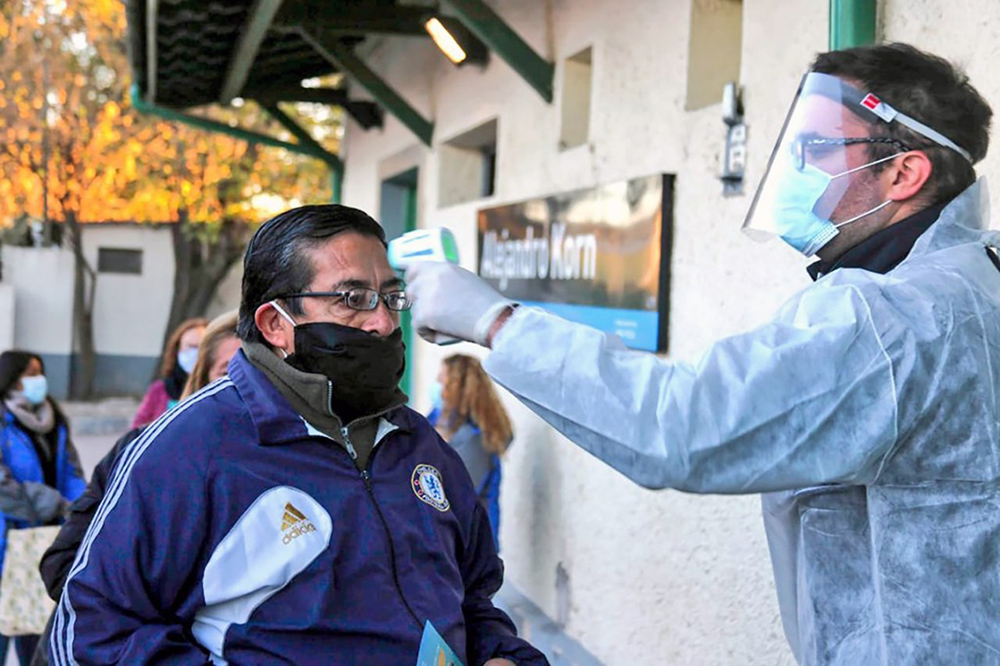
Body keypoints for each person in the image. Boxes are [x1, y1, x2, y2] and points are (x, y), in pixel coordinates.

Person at [405, 43, 1000, 663]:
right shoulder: (975, 276)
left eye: (817, 149)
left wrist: (495, 321)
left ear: (904, 174)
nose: (796, 164)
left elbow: (679, 425)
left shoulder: (897, 317)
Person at [52, 206, 544, 665]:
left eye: (392, 298)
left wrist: (499, 654)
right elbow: (90, 632)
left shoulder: (421, 445)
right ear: (275, 324)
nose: (382, 322)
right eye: (353, 299)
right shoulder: (186, 451)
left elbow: (473, 600)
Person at [30, 311, 241, 666]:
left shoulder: (297, 468)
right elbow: (62, 563)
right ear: (201, 379)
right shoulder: (142, 451)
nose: (244, 386)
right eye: (227, 373)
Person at [0, 351, 86, 665]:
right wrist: (51, 502)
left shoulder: (54, 419)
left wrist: (79, 508)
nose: (38, 380)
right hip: (8, 539)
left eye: (40, 372)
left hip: (47, 539)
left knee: (36, 629)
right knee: (5, 625)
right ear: (10, 378)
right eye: (29, 373)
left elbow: (73, 472)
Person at [428, 354, 512, 548]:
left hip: (469, 550)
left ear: (456, 386)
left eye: (442, 378)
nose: (436, 383)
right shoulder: (437, 419)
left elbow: (451, 498)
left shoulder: (475, 439)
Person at [131, 317, 207, 428]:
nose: (195, 353)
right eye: (191, 346)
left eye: (200, 348)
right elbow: (136, 430)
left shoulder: (216, 392)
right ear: (177, 349)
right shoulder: (159, 390)